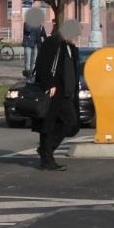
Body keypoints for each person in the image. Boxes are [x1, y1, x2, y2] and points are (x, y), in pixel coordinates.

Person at [32, 18, 80, 171]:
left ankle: (46, 152)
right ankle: (47, 158)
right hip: (54, 92)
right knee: (49, 125)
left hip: (66, 93)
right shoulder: (52, 43)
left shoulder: (69, 47)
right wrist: (49, 84)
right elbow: (42, 65)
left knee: (70, 124)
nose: (77, 37)